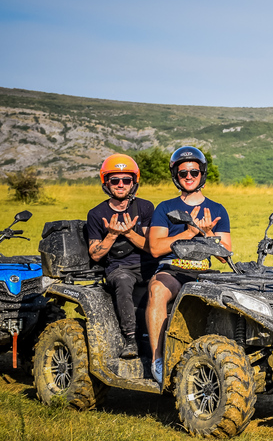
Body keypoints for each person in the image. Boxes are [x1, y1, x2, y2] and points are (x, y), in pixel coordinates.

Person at [146, 146, 231, 383]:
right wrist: (189, 231)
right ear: (176, 176)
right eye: (184, 173)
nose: (189, 177)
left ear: (202, 173)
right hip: (172, 270)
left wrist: (209, 233)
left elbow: (226, 256)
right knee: (157, 291)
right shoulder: (164, 208)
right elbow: (155, 247)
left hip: (203, 272)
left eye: (194, 172)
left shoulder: (217, 209)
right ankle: (157, 359)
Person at [87, 154, 156, 359]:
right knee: (124, 282)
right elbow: (95, 254)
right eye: (115, 180)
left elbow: (151, 247)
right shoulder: (96, 213)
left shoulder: (145, 208)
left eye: (126, 180)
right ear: (106, 183)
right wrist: (112, 234)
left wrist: (128, 233)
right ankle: (130, 339)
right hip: (119, 268)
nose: (120, 184)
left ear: (133, 182)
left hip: (147, 264)